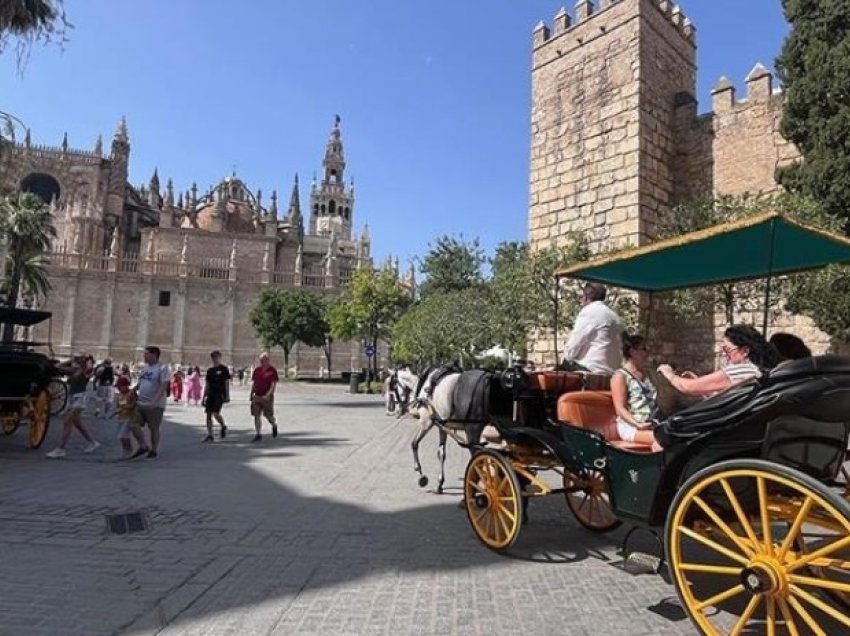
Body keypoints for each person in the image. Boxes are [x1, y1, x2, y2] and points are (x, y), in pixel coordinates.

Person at [657, 324, 779, 397]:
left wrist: (669, 374)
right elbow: (724, 400)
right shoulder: (757, 371)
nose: (725, 355)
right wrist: (702, 387)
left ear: (745, 351)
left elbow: (688, 387)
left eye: (727, 350)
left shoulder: (741, 371)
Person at [611, 334, 661, 449]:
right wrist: (637, 424)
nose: (647, 353)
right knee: (662, 440)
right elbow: (620, 409)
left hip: (651, 424)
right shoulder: (620, 376)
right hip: (631, 426)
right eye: (643, 349)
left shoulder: (648, 374)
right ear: (632, 351)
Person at [46, 355, 100, 459]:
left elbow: (90, 368)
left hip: (80, 398)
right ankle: (93, 442)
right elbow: (57, 366)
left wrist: (88, 358)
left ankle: (60, 449)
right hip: (73, 398)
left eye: (79, 358)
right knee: (77, 423)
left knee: (67, 422)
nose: (77, 359)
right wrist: (69, 360)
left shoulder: (86, 372)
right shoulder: (74, 370)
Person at [562, 282, 623, 374]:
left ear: (586, 297)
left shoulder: (589, 312)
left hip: (591, 369)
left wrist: (566, 360)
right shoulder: (614, 316)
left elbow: (572, 347)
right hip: (612, 371)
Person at [132, 346, 169, 459]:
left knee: (153, 428)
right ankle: (143, 446)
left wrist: (155, 401)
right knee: (134, 425)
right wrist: (132, 391)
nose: (144, 356)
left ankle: (154, 450)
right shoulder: (146, 368)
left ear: (154, 355)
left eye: (146, 354)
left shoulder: (162, 368)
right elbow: (141, 382)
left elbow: (163, 385)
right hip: (140, 402)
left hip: (155, 405)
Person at [113, 375, 147, 459]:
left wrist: (124, 407)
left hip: (129, 417)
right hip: (121, 417)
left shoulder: (131, 393)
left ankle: (128, 450)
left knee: (123, 435)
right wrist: (117, 410)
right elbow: (117, 405)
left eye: (120, 387)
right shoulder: (119, 395)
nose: (118, 389)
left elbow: (133, 405)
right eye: (117, 387)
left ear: (126, 386)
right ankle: (125, 450)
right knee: (120, 436)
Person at [202, 351, 231, 442]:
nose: (215, 359)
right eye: (213, 357)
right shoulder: (210, 370)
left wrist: (227, 395)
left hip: (220, 394)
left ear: (220, 357)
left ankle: (223, 425)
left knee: (216, 413)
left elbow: (226, 383)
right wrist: (204, 397)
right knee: (208, 414)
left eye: (216, 357)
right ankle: (210, 434)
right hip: (210, 394)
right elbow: (207, 384)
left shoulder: (224, 369)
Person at [250, 352, 279, 442]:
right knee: (256, 415)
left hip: (267, 397)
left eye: (264, 360)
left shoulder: (272, 371)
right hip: (257, 396)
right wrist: (251, 394)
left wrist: (268, 395)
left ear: (268, 360)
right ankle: (258, 434)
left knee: (268, 415)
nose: (262, 362)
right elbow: (254, 383)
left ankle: (274, 425)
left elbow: (273, 384)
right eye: (261, 360)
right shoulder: (257, 370)